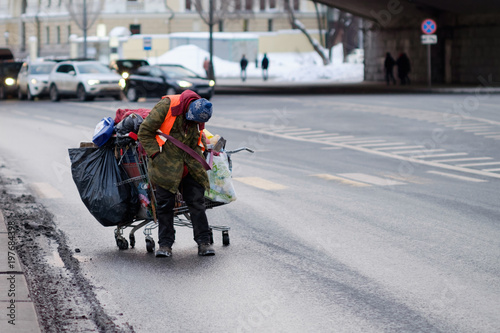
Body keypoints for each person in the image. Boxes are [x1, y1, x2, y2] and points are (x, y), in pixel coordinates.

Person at [137, 90, 215, 257]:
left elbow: (197, 136)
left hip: (189, 163)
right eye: (192, 119)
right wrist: (156, 155)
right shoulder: (167, 106)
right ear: (188, 110)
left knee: (197, 202)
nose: (194, 123)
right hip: (165, 164)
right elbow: (145, 131)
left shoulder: (198, 113)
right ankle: (165, 245)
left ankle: (204, 242)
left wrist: (202, 149)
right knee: (165, 205)